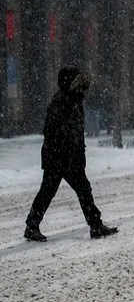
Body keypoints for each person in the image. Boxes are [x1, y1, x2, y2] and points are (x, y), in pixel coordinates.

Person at [23, 67, 118, 242]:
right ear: (70, 84)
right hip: (60, 158)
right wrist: (66, 152)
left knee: (74, 190)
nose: (83, 90)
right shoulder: (61, 102)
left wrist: (77, 154)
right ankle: (32, 226)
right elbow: (52, 132)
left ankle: (33, 225)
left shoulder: (73, 101)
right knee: (53, 191)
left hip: (68, 158)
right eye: (80, 85)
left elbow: (74, 132)